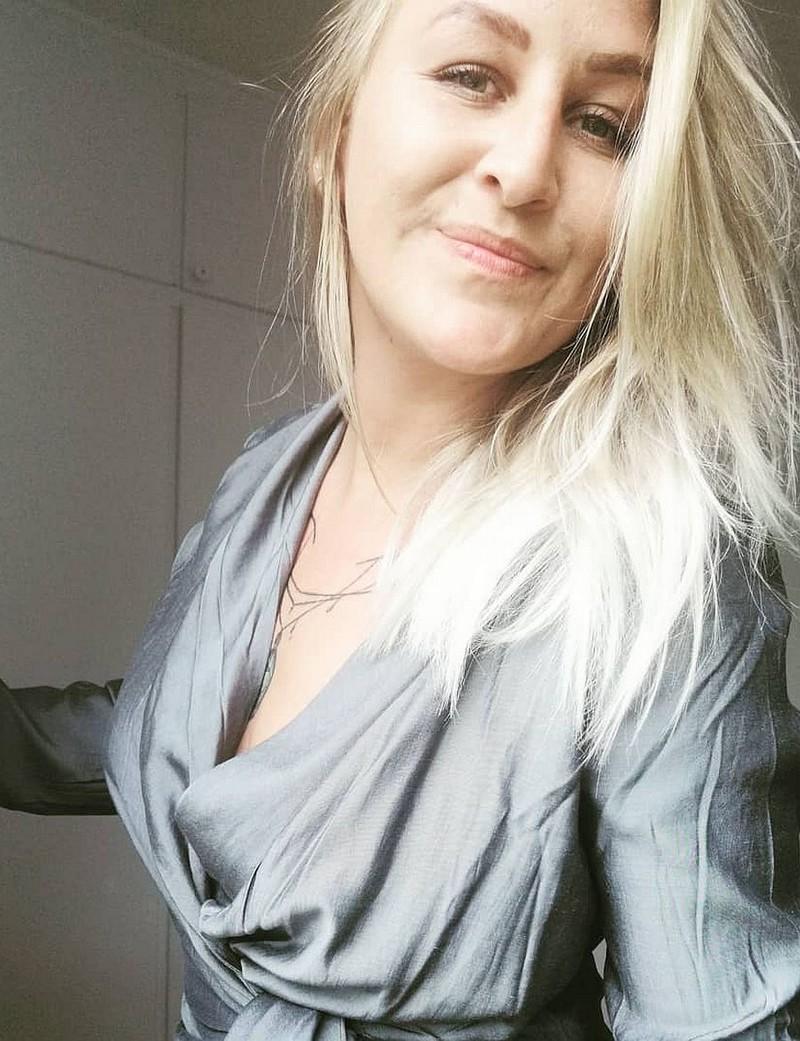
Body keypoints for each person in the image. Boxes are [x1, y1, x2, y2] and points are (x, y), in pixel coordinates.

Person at [3, 0, 800, 1037]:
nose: (525, 168)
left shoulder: (670, 567)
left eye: (605, 125)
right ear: (333, 139)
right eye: (472, 76)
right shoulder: (266, 476)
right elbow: (171, 720)